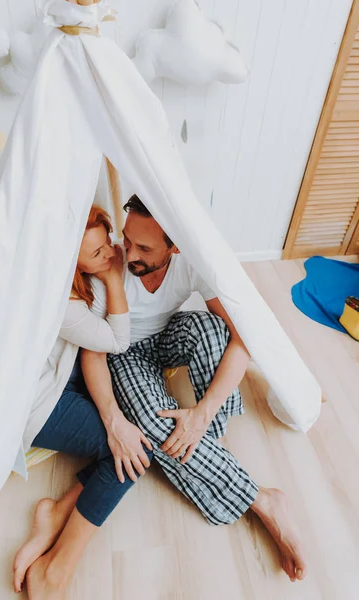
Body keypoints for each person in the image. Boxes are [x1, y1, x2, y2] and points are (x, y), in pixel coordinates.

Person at [82, 195, 307, 583]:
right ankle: (260, 499)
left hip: (168, 337)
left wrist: (201, 415)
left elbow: (243, 338)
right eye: (127, 239)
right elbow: (95, 353)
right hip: (125, 352)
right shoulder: (110, 269)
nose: (128, 252)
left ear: (175, 246)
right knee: (153, 427)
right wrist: (113, 418)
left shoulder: (192, 263)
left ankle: (206, 445)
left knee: (213, 329)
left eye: (144, 248)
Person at [13, 205, 153, 599]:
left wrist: (103, 266)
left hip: (64, 373)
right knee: (134, 455)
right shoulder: (61, 300)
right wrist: (113, 280)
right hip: (41, 403)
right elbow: (116, 341)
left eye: (106, 243)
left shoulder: (81, 281)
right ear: (70, 264)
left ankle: (56, 514)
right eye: (96, 254)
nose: (111, 254)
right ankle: (54, 571)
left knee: (129, 432)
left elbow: (100, 345)